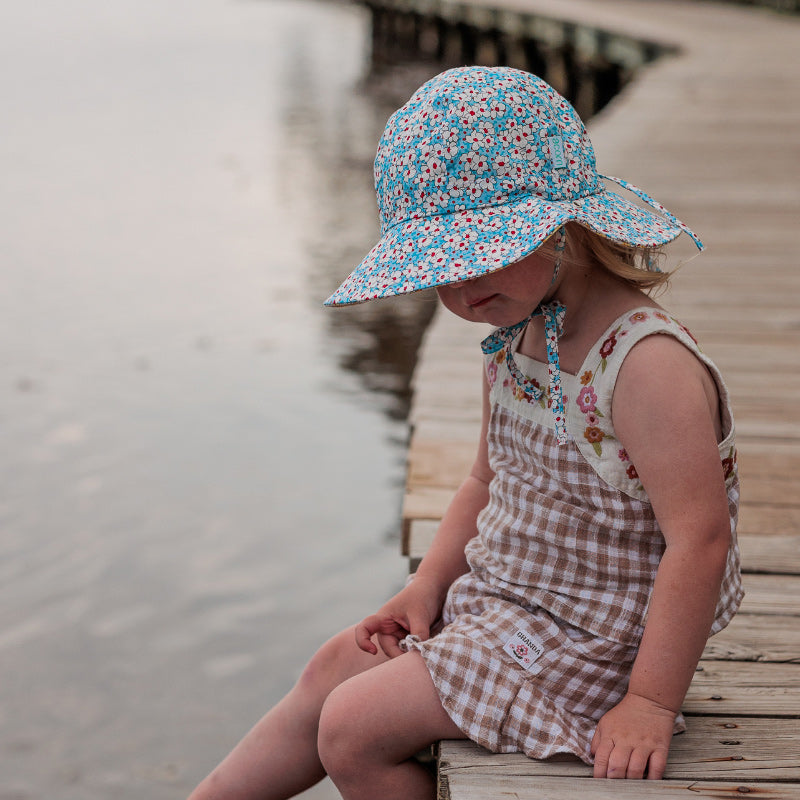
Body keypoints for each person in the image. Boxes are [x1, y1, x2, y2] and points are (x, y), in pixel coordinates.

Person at [188, 66, 742, 799]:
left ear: (562, 221)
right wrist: (426, 586)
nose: (459, 291)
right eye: (439, 272)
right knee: (332, 671)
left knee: (354, 728)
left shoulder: (642, 364)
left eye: (477, 255)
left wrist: (648, 703)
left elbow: (701, 539)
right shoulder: (519, 332)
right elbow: (487, 481)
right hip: (516, 599)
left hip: (597, 640)